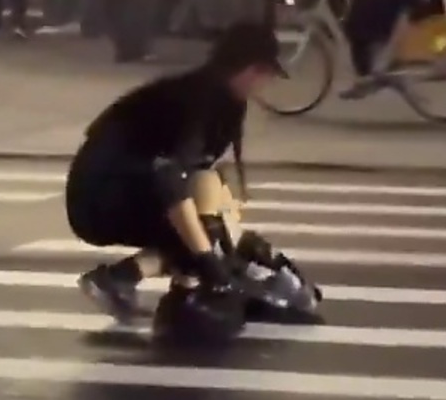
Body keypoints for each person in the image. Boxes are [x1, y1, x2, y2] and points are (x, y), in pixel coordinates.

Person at [66, 22, 285, 342]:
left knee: (209, 230)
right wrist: (208, 259)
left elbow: (206, 178)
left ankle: (121, 280)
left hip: (124, 187)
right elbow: (172, 181)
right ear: (252, 69)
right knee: (200, 237)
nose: (267, 84)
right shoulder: (197, 102)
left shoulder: (221, 97)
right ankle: (122, 280)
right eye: (267, 74)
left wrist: (229, 237)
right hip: (98, 198)